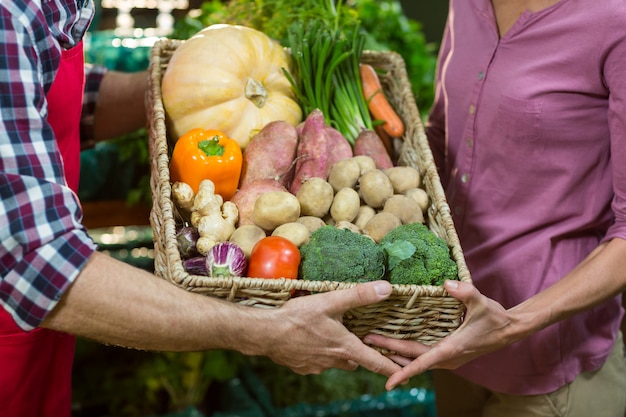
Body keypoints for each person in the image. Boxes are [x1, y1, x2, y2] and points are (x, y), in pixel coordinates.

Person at [0, 1, 400, 415]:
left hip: (36, 351)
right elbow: (38, 264)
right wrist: (263, 330)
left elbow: (48, 101)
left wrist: (196, 88)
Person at [365, 0, 626, 416]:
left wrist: (512, 325)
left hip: (546, 362)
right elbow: (442, 131)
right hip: (452, 336)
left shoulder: (614, 19)